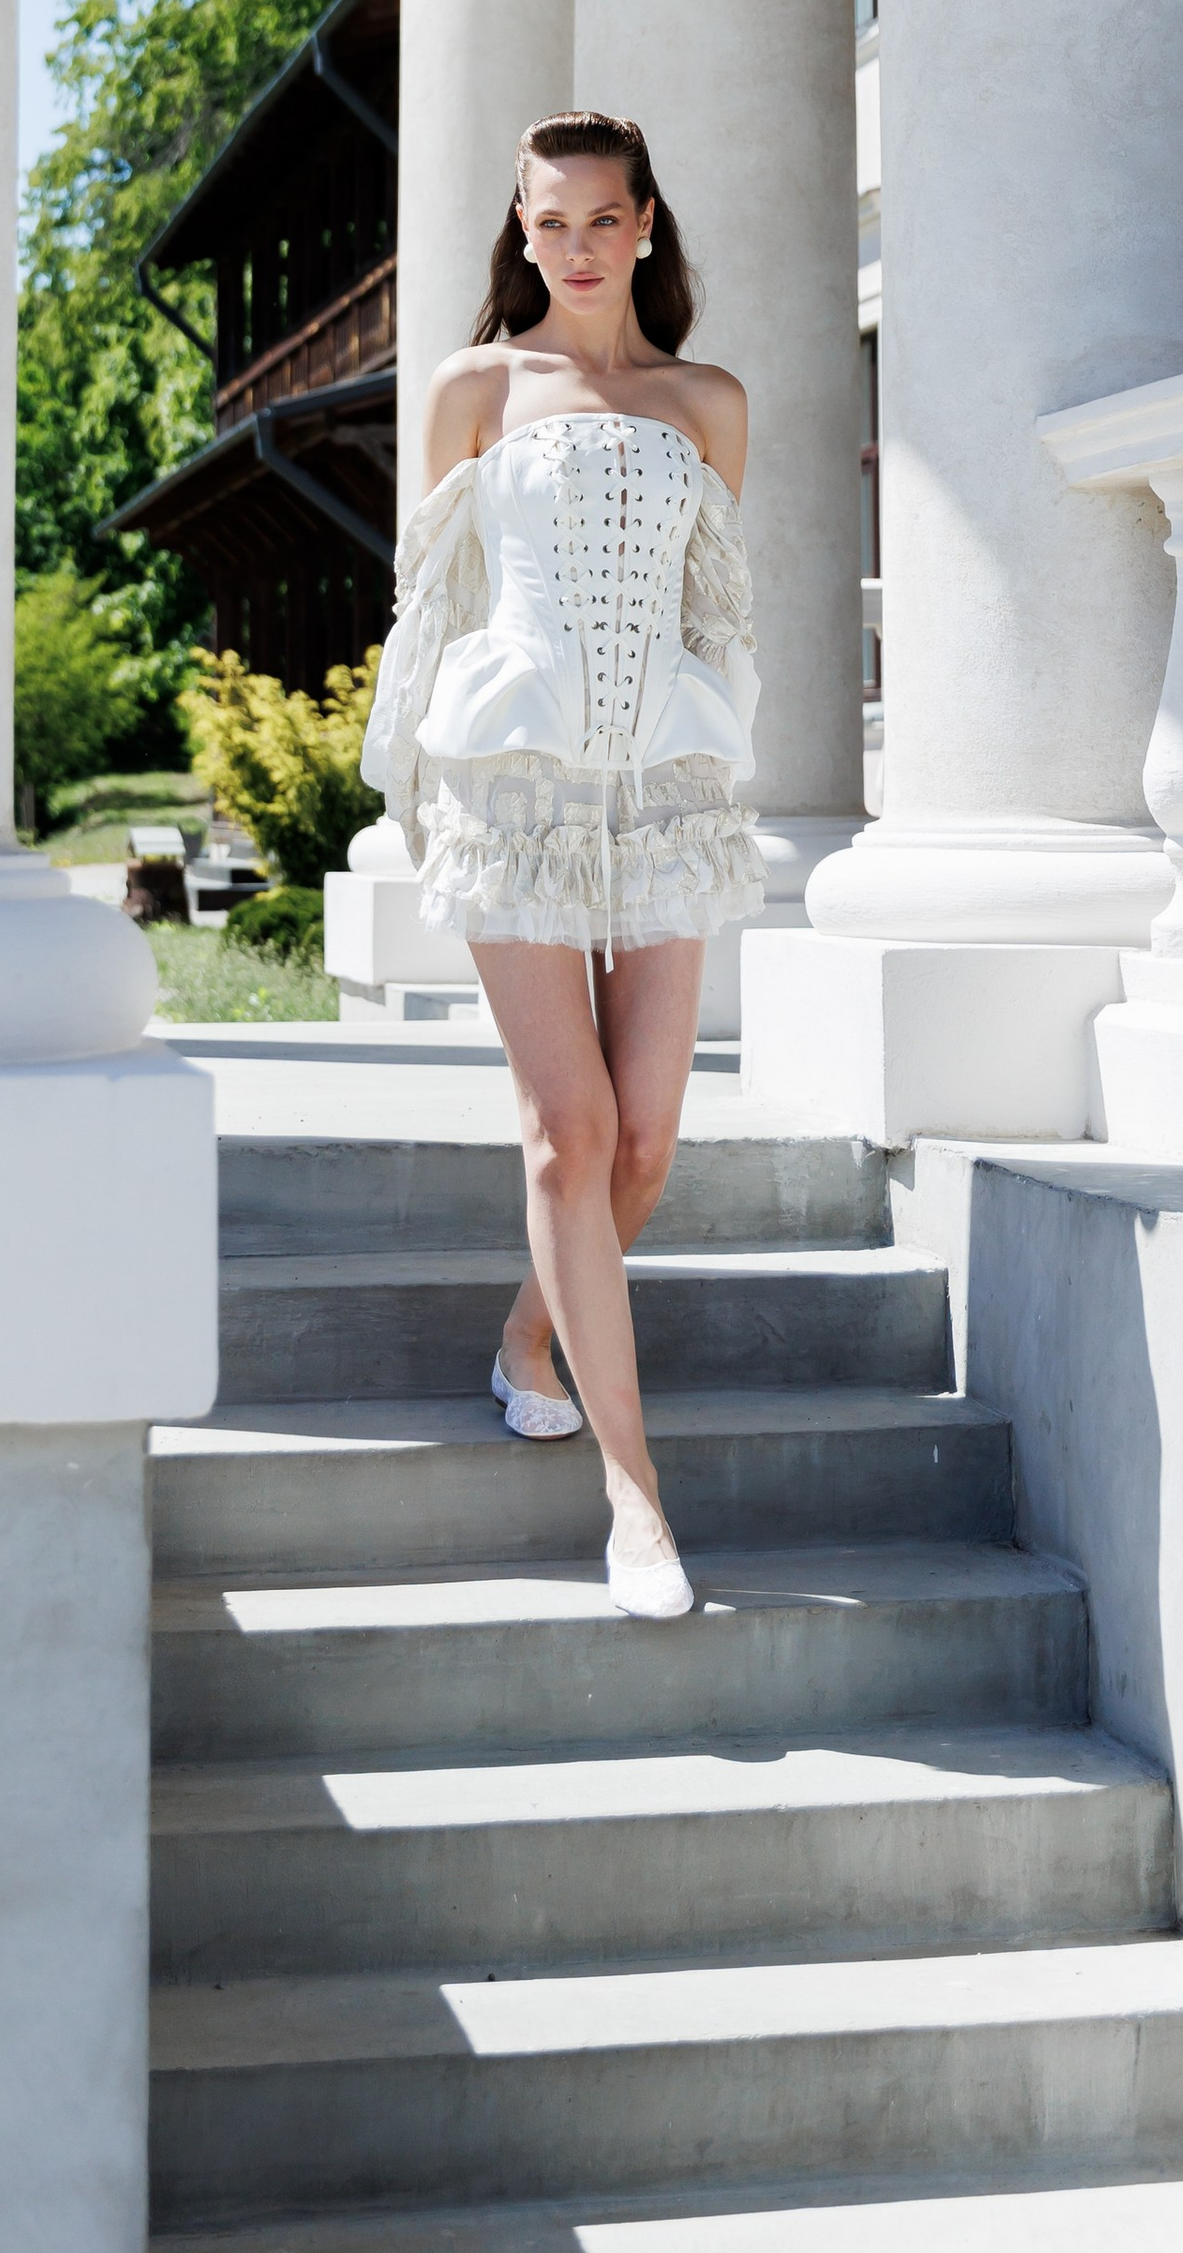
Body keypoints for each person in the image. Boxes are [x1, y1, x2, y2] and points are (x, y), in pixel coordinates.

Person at [362, 111, 765, 1620]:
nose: (577, 248)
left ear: (646, 224)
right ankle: (635, 1498)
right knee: (567, 1130)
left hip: (665, 788)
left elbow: (718, 613)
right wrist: (420, 791)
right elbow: (433, 600)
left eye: (603, 219)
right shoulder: (474, 388)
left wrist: (722, 767)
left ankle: (528, 1334)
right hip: (514, 782)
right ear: (519, 230)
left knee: (643, 1139)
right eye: (550, 221)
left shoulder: (708, 402)